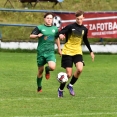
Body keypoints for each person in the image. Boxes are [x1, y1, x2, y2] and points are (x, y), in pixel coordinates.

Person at [58, 10, 95, 97]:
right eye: (77, 19)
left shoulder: (84, 29)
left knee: (80, 69)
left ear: (83, 18)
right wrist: (61, 35)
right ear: (76, 18)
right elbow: (61, 32)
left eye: (81, 19)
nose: (79, 20)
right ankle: (60, 89)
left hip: (77, 52)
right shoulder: (70, 27)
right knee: (68, 74)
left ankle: (70, 85)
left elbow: (85, 40)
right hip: (67, 52)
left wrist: (91, 51)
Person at [30, 12, 61, 92]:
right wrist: (37, 36)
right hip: (41, 52)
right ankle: (39, 87)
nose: (49, 20)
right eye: (48, 18)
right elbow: (31, 36)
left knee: (52, 67)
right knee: (40, 70)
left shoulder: (55, 29)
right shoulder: (39, 27)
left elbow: (57, 38)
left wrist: (59, 49)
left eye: (51, 18)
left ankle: (47, 70)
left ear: (52, 19)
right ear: (44, 19)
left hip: (50, 52)